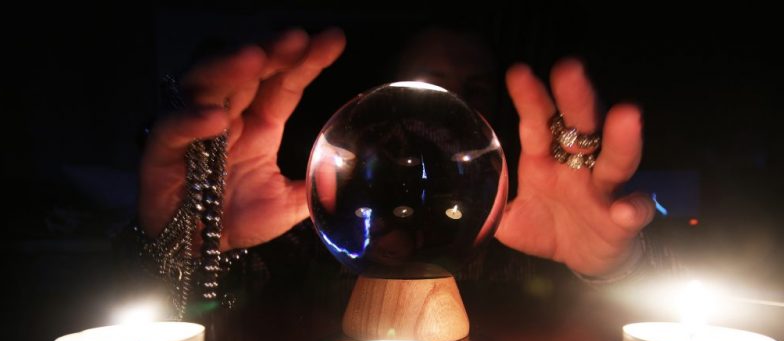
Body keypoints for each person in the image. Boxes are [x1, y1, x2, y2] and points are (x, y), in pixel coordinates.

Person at [133, 27, 664, 317]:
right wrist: (192, 242)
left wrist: (614, 267)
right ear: (386, 97)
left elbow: (668, 319)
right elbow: (180, 318)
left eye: (476, 89)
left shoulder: (531, 222)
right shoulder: (320, 221)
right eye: (432, 84)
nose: (452, 106)